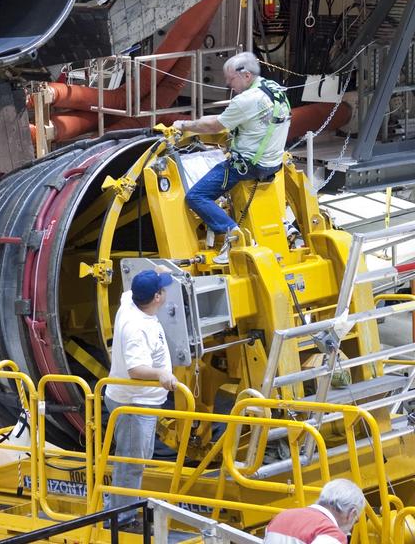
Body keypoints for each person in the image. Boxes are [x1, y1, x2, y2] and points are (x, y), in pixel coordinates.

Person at [178, 51, 290, 262]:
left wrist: (185, 125)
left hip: (248, 165)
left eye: (231, 80)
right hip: (273, 163)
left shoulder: (247, 100)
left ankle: (233, 234)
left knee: (196, 196)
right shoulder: (274, 89)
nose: (230, 86)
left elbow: (214, 125)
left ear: (246, 75)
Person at [104, 268, 178, 530]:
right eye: (162, 288)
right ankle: (120, 519)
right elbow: (136, 371)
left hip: (134, 402)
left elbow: (132, 290)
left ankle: (115, 506)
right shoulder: (137, 328)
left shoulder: (130, 302)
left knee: (135, 457)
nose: (167, 291)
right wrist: (162, 375)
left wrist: (155, 271)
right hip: (134, 404)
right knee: (132, 462)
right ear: (157, 297)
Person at [263, 479, 366, 544]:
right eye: (355, 520)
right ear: (351, 513)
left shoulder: (282, 516)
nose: (351, 528)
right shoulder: (331, 533)